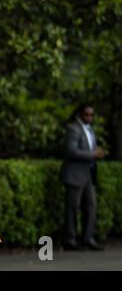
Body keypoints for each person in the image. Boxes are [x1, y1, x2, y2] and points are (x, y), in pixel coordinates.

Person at [60, 104, 105, 251]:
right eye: (87, 114)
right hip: (74, 175)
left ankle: (88, 238)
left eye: (92, 115)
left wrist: (96, 154)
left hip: (88, 175)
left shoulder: (90, 130)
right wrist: (94, 154)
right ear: (80, 114)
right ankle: (70, 240)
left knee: (90, 207)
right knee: (72, 208)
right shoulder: (73, 129)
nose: (89, 118)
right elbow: (71, 151)